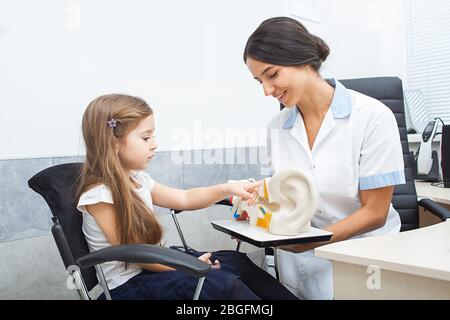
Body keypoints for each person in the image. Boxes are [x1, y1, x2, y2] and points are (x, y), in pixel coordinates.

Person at [243, 17, 405, 299]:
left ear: (303, 61)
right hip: (299, 267)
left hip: (362, 264)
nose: (267, 90)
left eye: (272, 75)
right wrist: (253, 213)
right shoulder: (276, 127)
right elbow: (278, 196)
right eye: (259, 81)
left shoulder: (373, 117)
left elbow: (375, 213)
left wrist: (311, 241)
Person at [76, 93, 297, 300]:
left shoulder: (138, 180)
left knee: (236, 262)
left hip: (152, 270)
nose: (154, 144)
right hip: (127, 287)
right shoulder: (99, 195)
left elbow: (184, 198)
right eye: (145, 138)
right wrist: (185, 265)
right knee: (221, 283)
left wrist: (228, 189)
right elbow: (137, 254)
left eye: (153, 135)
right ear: (114, 143)